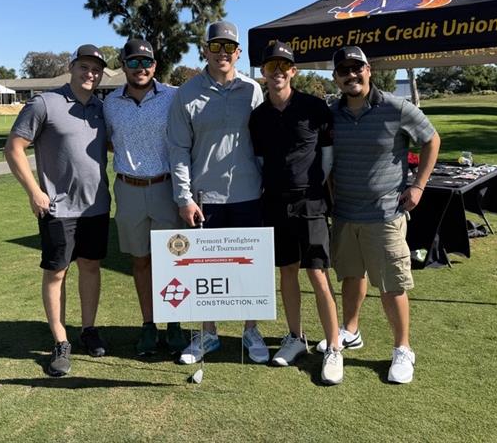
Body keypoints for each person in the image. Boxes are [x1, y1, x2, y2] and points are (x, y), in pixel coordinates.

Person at [321, 45, 440, 384]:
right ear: (336, 77)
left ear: (369, 70)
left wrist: (418, 186)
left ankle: (403, 348)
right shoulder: (331, 112)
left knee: (391, 285)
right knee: (351, 277)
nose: (351, 75)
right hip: (344, 214)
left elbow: (432, 140)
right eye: (343, 70)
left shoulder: (395, 107)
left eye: (356, 68)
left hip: (385, 215)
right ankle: (351, 330)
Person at [4, 44, 110, 377]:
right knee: (57, 273)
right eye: (84, 67)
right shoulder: (44, 103)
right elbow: (14, 148)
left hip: (97, 205)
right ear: (72, 67)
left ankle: (88, 329)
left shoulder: (101, 108)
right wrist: (34, 191)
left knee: (91, 267)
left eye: (96, 69)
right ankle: (61, 340)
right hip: (57, 207)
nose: (90, 74)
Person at [167, 20, 269, 366]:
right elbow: (178, 148)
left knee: (249, 270)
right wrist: (184, 197)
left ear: (238, 53)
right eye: (215, 47)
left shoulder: (252, 90)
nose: (222, 53)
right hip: (205, 198)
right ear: (205, 50)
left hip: (248, 193)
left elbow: (260, 144)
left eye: (229, 48)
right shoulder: (187, 93)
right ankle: (208, 333)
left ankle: (250, 329)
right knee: (206, 271)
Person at [248, 41, 344, 385]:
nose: (277, 72)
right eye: (270, 67)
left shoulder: (315, 107)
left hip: (312, 203)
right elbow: (260, 161)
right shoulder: (258, 117)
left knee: (317, 273)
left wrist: (315, 187)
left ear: (294, 71)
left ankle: (334, 345)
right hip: (275, 202)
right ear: (263, 73)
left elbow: (327, 156)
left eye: (283, 67)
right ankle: (295, 337)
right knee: (286, 271)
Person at [103, 39, 187, 356]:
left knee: (174, 260)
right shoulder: (110, 103)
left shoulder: (174, 96)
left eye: (146, 62)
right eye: (134, 62)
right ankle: (149, 324)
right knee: (140, 261)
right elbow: (111, 142)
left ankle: (175, 324)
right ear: (123, 65)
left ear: (155, 65)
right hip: (128, 188)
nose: (141, 68)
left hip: (166, 187)